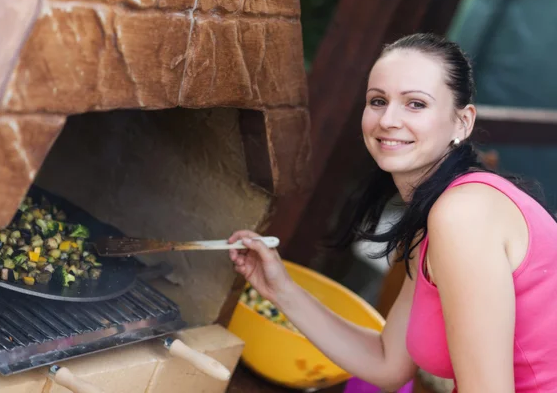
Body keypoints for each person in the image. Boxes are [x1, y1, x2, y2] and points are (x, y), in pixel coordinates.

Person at [228, 33, 557, 393]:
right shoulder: (435, 219)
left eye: (415, 104)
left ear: (463, 122)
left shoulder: (464, 214)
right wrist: (280, 290)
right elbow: (388, 362)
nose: (388, 119)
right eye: (378, 101)